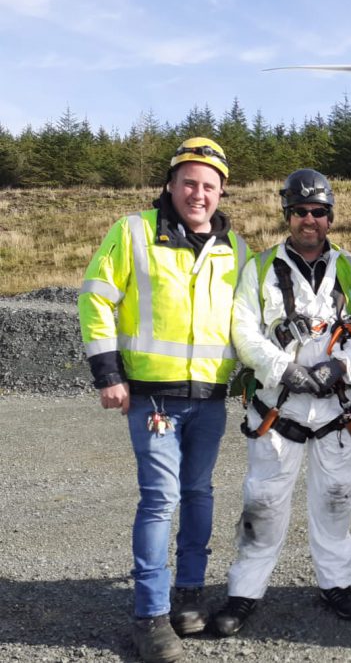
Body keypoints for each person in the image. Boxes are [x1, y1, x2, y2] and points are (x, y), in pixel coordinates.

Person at [78, 137, 251, 663]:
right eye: (189, 183)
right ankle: (149, 616)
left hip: (212, 398)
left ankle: (190, 596)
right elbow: (96, 297)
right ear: (171, 185)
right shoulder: (132, 232)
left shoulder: (235, 249)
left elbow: (246, 323)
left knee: (200, 493)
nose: (198, 194)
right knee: (160, 500)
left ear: (221, 192)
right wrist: (108, 372)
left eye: (209, 186)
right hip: (153, 398)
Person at [210, 169, 351, 636]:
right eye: (300, 211)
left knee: (336, 500)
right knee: (263, 503)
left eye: (318, 212)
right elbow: (243, 328)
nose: (309, 220)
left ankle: (337, 585)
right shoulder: (261, 268)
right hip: (277, 412)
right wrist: (279, 369)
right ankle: (244, 593)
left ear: (330, 217)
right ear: (288, 214)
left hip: (336, 414)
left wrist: (342, 368)